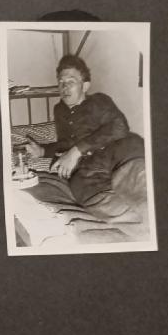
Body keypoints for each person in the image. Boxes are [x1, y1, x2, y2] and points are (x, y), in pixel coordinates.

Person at [26, 53, 144, 215]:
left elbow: (119, 127)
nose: (64, 87)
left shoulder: (99, 101)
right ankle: (135, 220)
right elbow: (65, 143)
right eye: (61, 82)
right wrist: (42, 151)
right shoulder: (59, 110)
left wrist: (76, 151)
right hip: (86, 167)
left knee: (139, 178)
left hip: (116, 153)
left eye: (71, 82)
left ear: (85, 86)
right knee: (96, 198)